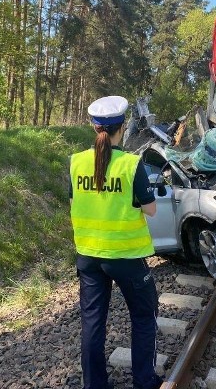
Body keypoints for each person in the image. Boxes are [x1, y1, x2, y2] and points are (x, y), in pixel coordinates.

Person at [69, 95, 163, 389]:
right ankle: (144, 381)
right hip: (126, 258)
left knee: (93, 322)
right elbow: (150, 209)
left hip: (88, 256)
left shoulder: (76, 162)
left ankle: (94, 385)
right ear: (123, 127)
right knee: (145, 316)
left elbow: (75, 201)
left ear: (92, 126)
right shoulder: (131, 165)